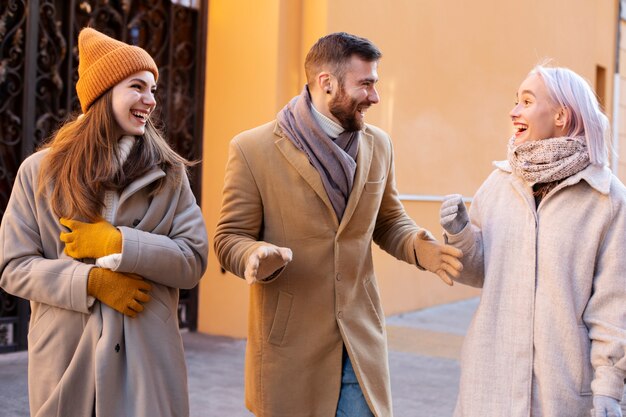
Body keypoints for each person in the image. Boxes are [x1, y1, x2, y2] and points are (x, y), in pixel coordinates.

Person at [214, 32, 463, 417]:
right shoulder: (252, 149)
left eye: (375, 83)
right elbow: (230, 236)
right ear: (326, 84)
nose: (375, 97)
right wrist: (252, 254)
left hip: (359, 342)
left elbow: (387, 219)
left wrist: (419, 247)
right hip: (290, 347)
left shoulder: (379, 145)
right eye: (365, 84)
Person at [0, 27, 208, 417]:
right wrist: (90, 282)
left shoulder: (170, 175)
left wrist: (119, 244)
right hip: (66, 361)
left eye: (153, 89)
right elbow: (14, 266)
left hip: (148, 365)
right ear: (103, 92)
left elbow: (192, 260)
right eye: (138, 86)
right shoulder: (38, 172)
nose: (151, 99)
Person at [440, 64, 626, 417]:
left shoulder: (606, 198)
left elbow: (615, 306)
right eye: (516, 101)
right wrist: (461, 234)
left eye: (526, 101)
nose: (514, 111)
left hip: (562, 392)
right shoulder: (499, 184)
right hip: (490, 384)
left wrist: (608, 389)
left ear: (560, 115)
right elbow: (479, 271)